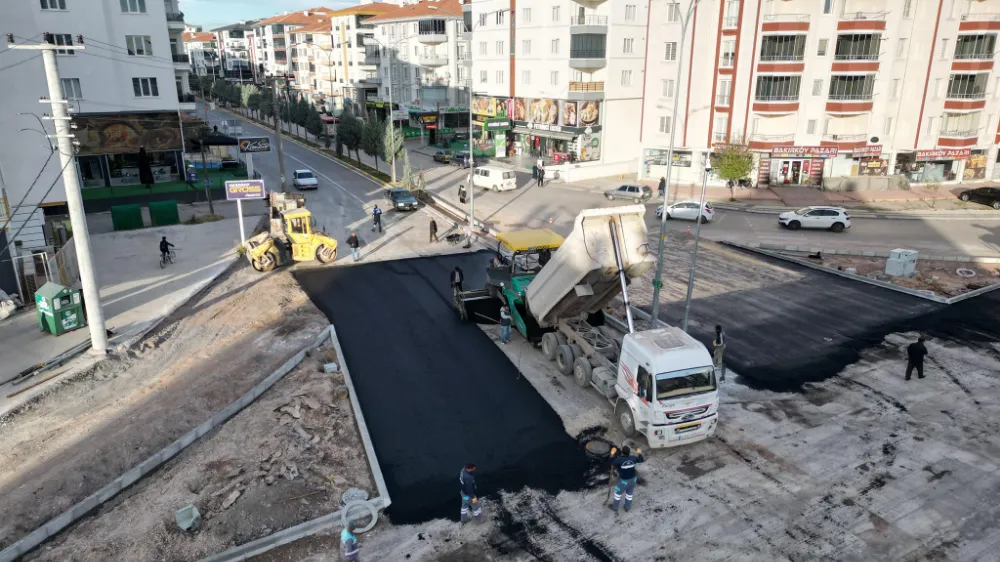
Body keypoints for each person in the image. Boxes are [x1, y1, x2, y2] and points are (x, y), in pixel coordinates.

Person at [610, 445, 645, 513]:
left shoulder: (619, 460)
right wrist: (639, 452)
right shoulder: (633, 458)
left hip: (624, 482)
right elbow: (641, 459)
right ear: (629, 452)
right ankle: (627, 507)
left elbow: (611, 461)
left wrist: (612, 453)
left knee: (617, 493)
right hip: (633, 480)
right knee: (629, 494)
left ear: (622, 452)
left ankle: (615, 507)